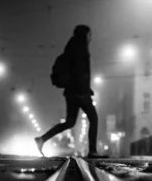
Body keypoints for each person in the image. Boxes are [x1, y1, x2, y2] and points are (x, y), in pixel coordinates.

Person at [35, 24, 108, 158]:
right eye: (89, 35)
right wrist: (83, 91)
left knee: (70, 122)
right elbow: (80, 72)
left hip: (72, 92)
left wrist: (87, 88)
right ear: (84, 35)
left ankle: (42, 139)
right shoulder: (80, 49)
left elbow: (76, 72)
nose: (90, 38)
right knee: (93, 118)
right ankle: (92, 151)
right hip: (78, 92)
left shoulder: (71, 47)